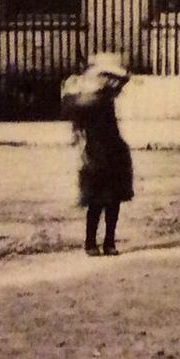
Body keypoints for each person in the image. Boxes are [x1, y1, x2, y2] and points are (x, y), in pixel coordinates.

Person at [70, 53, 133, 255]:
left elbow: (124, 79)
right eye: (107, 76)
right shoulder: (85, 100)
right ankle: (91, 243)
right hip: (96, 153)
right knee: (96, 202)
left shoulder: (105, 95)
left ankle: (109, 242)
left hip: (113, 151)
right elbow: (78, 129)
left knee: (113, 201)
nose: (111, 80)